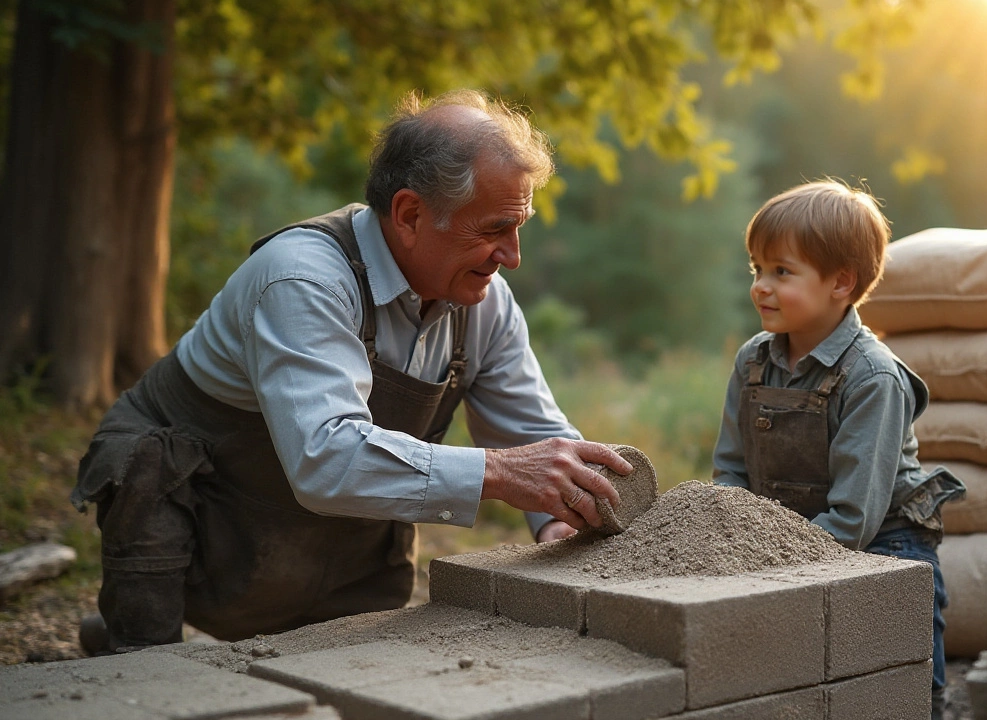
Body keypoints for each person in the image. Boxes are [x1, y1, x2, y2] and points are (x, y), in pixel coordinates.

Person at [72, 89, 629, 654]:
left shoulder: (486, 301)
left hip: (319, 533)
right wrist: (501, 474)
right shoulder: (303, 279)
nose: (512, 256)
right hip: (199, 506)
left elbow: (534, 440)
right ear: (410, 215)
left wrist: (559, 518)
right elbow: (325, 459)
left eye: (520, 227)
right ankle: (127, 641)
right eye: (492, 230)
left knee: (355, 673)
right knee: (147, 676)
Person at [711, 179, 965, 719]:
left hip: (884, 539)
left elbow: (855, 516)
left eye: (782, 271)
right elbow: (731, 470)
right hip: (796, 536)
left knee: (900, 678)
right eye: (756, 268)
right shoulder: (753, 361)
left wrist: (772, 566)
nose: (760, 286)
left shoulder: (873, 378)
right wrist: (730, 538)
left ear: (841, 283)